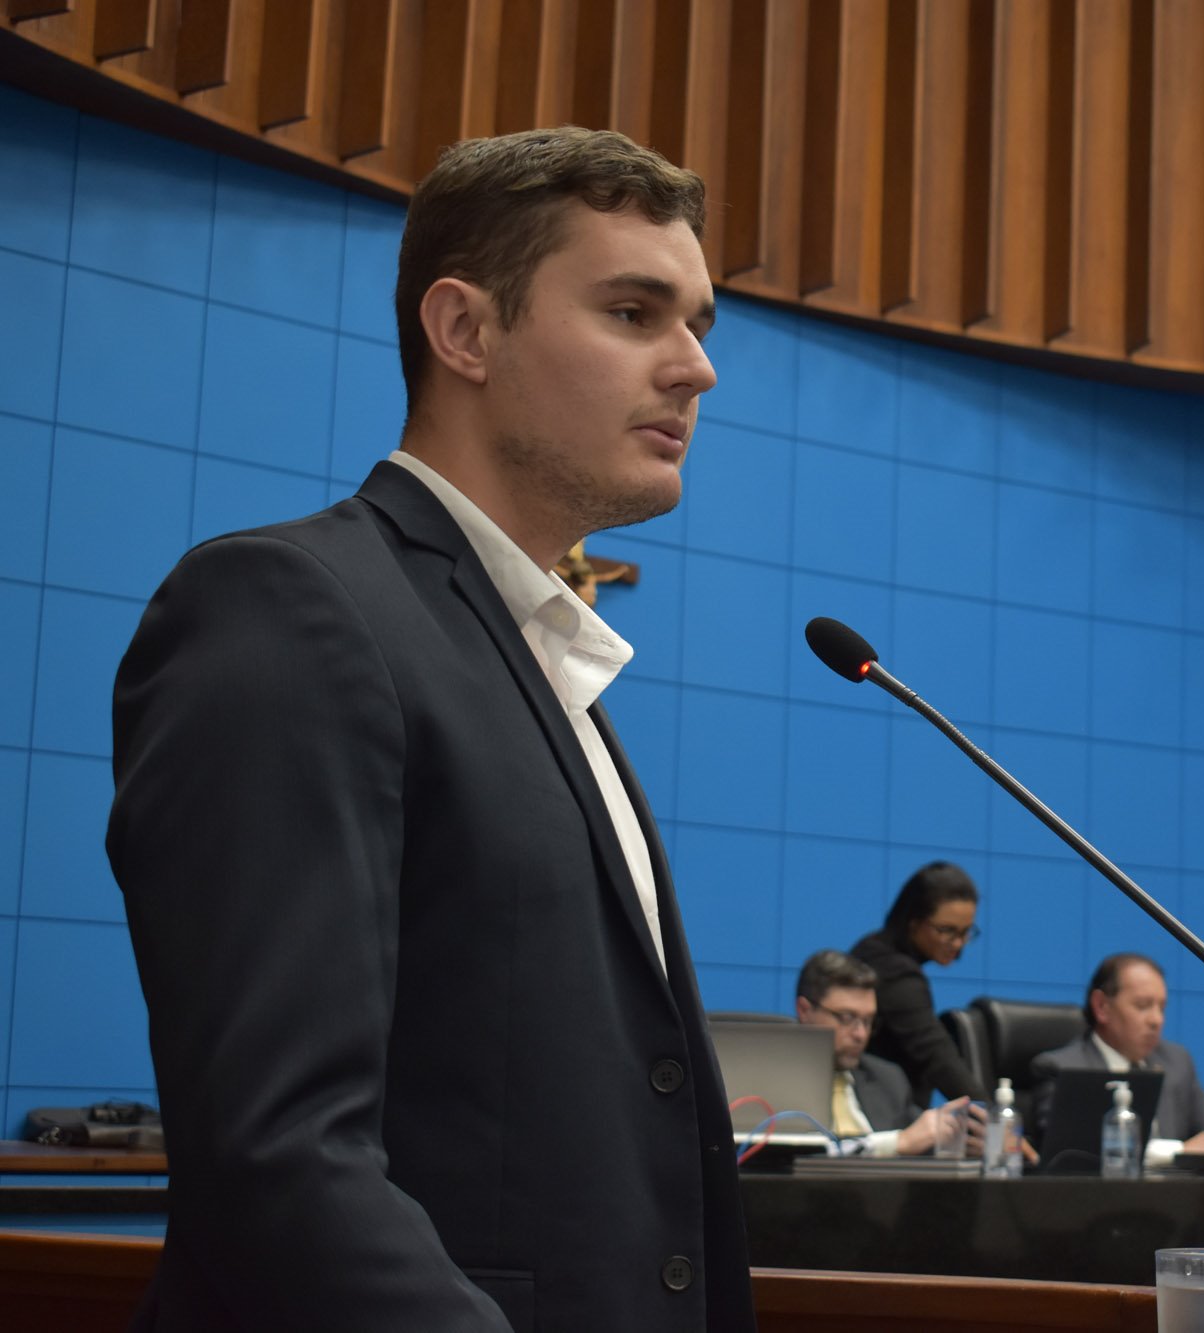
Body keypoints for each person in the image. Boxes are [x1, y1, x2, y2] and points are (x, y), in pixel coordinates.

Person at [107, 127, 752, 1330]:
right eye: (633, 313)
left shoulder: (533, 652)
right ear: (464, 331)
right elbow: (279, 1155)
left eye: (698, 325)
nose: (695, 369)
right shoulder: (290, 607)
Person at [1030, 953, 1204, 1168]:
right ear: (1102, 1006)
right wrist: (1179, 1151)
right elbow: (1070, 1154)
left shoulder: (1176, 1063)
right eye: (1142, 1006)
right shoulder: (1062, 1069)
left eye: (1161, 1007)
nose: (1156, 1020)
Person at [793, 949, 978, 1157]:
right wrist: (896, 1143)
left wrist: (973, 1141)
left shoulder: (887, 1079)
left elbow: (921, 1140)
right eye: (846, 1017)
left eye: (868, 1021)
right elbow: (796, 1155)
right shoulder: (774, 1080)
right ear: (805, 1010)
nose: (861, 1034)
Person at [850, 862, 984, 1102]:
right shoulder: (894, 972)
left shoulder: (873, 949)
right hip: (886, 1116)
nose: (957, 943)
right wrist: (991, 1117)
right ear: (913, 921)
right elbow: (939, 1058)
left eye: (965, 932)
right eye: (946, 930)